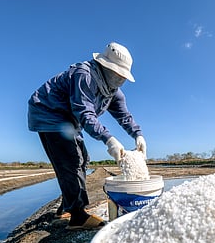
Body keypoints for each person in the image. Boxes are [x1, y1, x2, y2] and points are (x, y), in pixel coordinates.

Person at [28, 42, 146, 230]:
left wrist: (137, 135)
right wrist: (109, 139)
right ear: (106, 67)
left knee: (83, 159)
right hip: (49, 112)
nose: (121, 80)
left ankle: (67, 207)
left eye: (124, 77)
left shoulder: (113, 92)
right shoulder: (85, 76)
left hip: (69, 119)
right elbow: (84, 113)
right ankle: (77, 217)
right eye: (119, 75)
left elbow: (124, 115)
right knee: (71, 160)